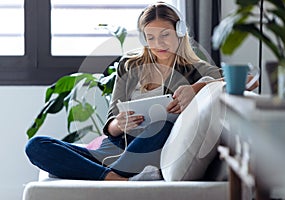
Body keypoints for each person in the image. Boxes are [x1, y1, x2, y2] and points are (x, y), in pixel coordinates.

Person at [25, 2, 257, 181]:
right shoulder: (130, 64)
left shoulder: (195, 69)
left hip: (150, 148)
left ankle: (103, 175)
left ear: (179, 32)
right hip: (113, 149)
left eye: (165, 35)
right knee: (36, 145)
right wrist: (119, 124)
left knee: (160, 124)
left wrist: (196, 87)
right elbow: (110, 124)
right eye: (151, 37)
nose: (159, 44)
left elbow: (248, 79)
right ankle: (116, 179)